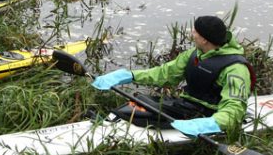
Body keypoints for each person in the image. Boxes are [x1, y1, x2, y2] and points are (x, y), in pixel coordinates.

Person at [91, 15, 253, 135]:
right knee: (138, 102)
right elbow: (164, 74)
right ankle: (113, 120)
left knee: (132, 113)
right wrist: (130, 75)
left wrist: (209, 124)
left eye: (195, 31)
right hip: (186, 106)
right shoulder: (194, 54)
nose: (192, 33)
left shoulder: (235, 69)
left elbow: (235, 108)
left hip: (210, 116)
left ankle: (112, 127)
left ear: (204, 40)